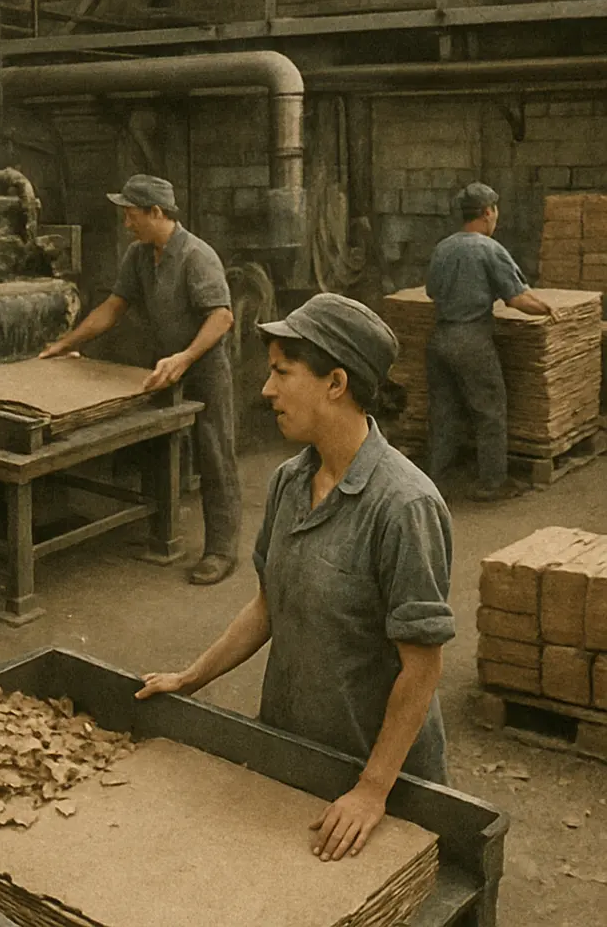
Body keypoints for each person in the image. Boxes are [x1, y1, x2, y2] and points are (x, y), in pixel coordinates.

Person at [136, 293, 455, 862]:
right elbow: (268, 605)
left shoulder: (404, 507)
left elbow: (422, 667)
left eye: (283, 372)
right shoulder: (289, 481)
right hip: (292, 748)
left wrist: (372, 790)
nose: (266, 389)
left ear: (336, 383)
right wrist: (191, 677)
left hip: (376, 774)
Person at [40, 174, 241, 585]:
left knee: (214, 454)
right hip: (164, 365)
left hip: (202, 366)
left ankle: (221, 550)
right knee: (158, 444)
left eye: (132, 215)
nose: (126, 223)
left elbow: (222, 316)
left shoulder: (196, 256)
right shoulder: (138, 255)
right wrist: (65, 343)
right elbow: (113, 307)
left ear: (156, 212)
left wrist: (186, 357)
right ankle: (160, 533)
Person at [426, 182, 557, 502]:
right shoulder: (489, 249)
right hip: (471, 340)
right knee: (489, 410)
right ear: (487, 213)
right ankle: (492, 483)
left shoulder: (443, 247)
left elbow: (431, 292)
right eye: (495, 210)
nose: (496, 217)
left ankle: (433, 483)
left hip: (439, 338)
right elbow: (516, 299)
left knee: (444, 413)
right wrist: (549, 310)